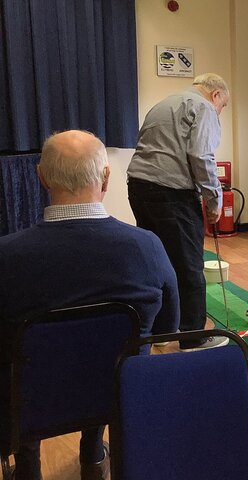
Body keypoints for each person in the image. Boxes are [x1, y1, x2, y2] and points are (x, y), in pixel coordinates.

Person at [0, 130, 179, 480]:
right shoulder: (148, 248)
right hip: (119, 396)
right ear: (107, 178)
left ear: (42, 177)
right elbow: (166, 330)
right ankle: (94, 458)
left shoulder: (6, 257)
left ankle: (27, 467)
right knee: (108, 357)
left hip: (29, 400)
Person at [127, 73, 231, 351]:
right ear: (216, 95)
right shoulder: (204, 107)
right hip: (172, 194)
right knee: (189, 267)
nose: (220, 112)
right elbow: (201, 155)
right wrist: (214, 199)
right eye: (224, 106)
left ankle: (161, 331)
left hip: (138, 188)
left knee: (158, 261)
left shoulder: (164, 103)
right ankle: (193, 336)